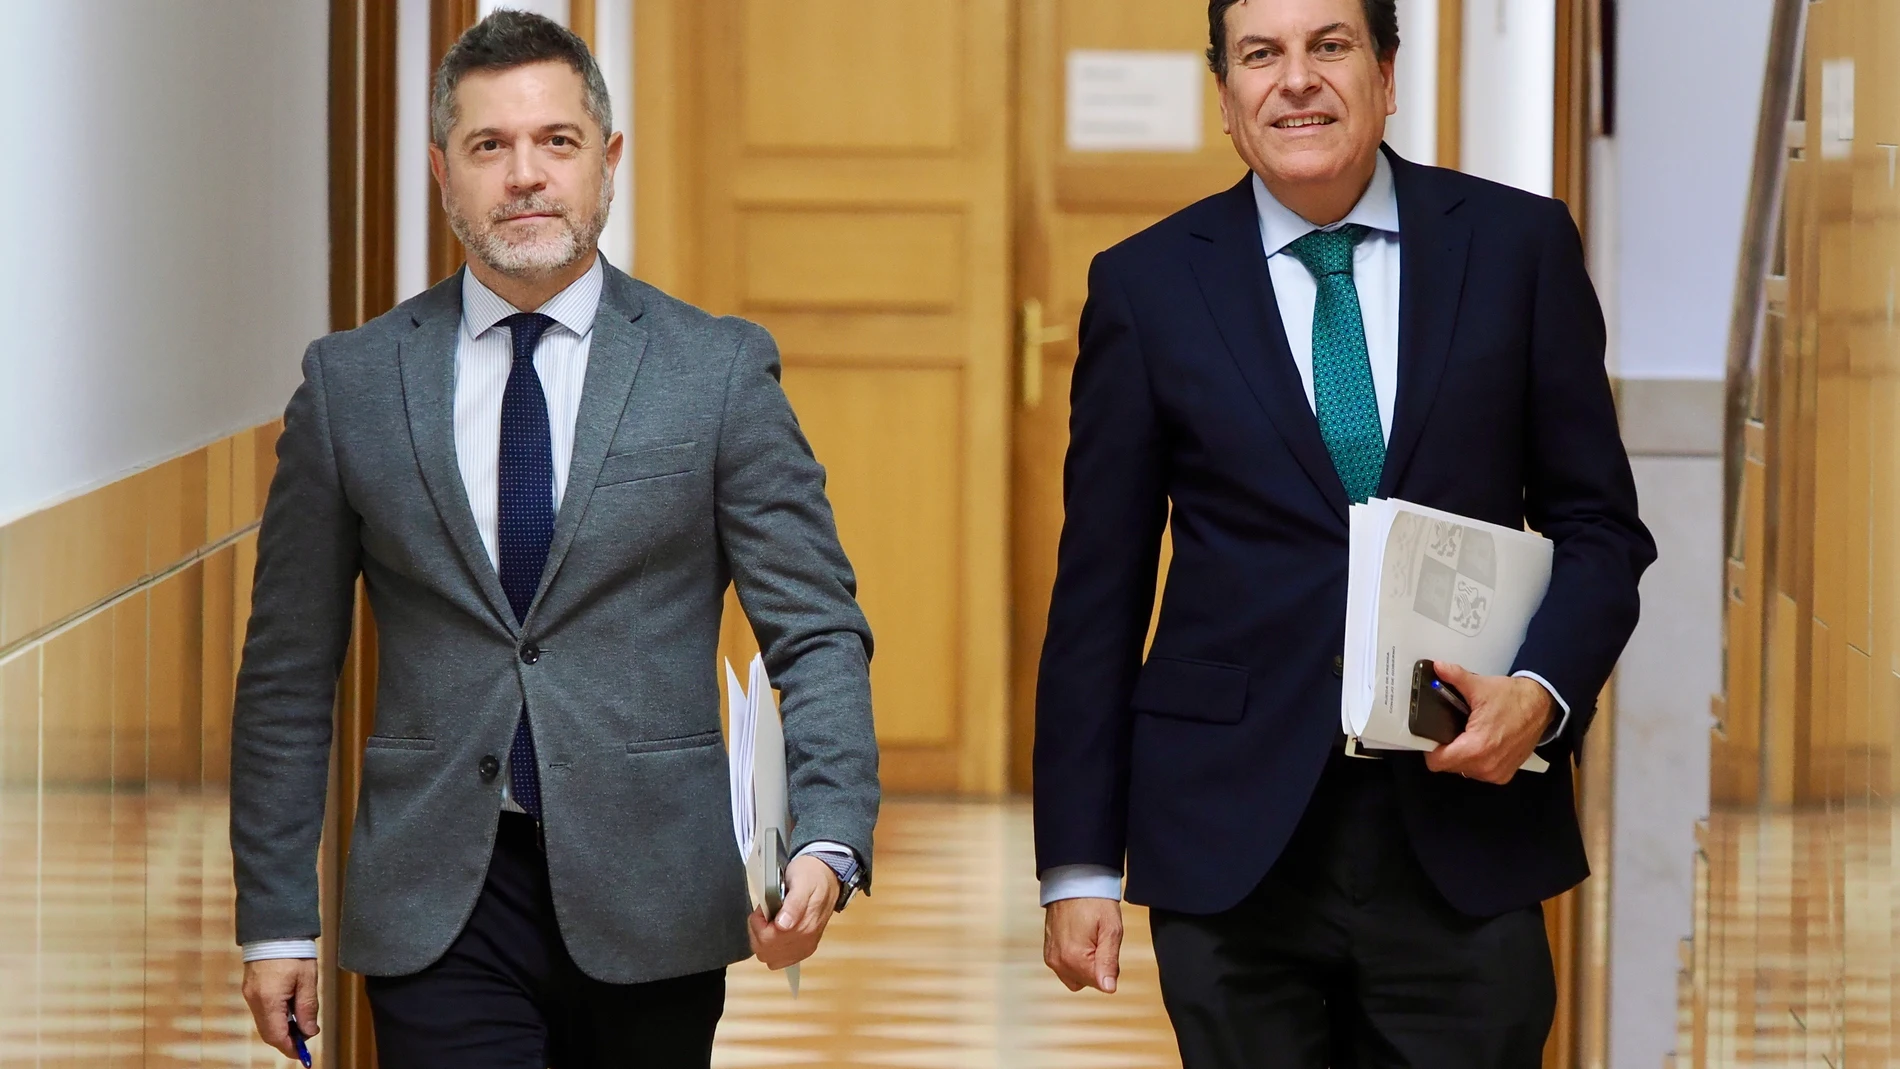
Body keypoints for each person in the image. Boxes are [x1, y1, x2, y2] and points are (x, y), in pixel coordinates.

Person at [229, 12, 878, 1068]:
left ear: (607, 162)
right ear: (443, 171)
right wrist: (275, 916)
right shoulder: (351, 387)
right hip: (438, 897)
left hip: (656, 895)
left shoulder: (714, 373)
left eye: (557, 143)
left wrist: (828, 829)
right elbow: (288, 675)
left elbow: (814, 629)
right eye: (490, 146)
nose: (524, 175)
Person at [1032, 0, 1655, 1065]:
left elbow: (1600, 527)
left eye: (1329, 46)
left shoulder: (1517, 248)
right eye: (1259, 55)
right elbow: (1099, 595)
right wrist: (1080, 863)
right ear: (1225, 98)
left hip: (1465, 828)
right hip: (1232, 841)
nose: (1296, 80)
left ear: (1387, 72)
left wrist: (1541, 694)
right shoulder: (1145, 287)